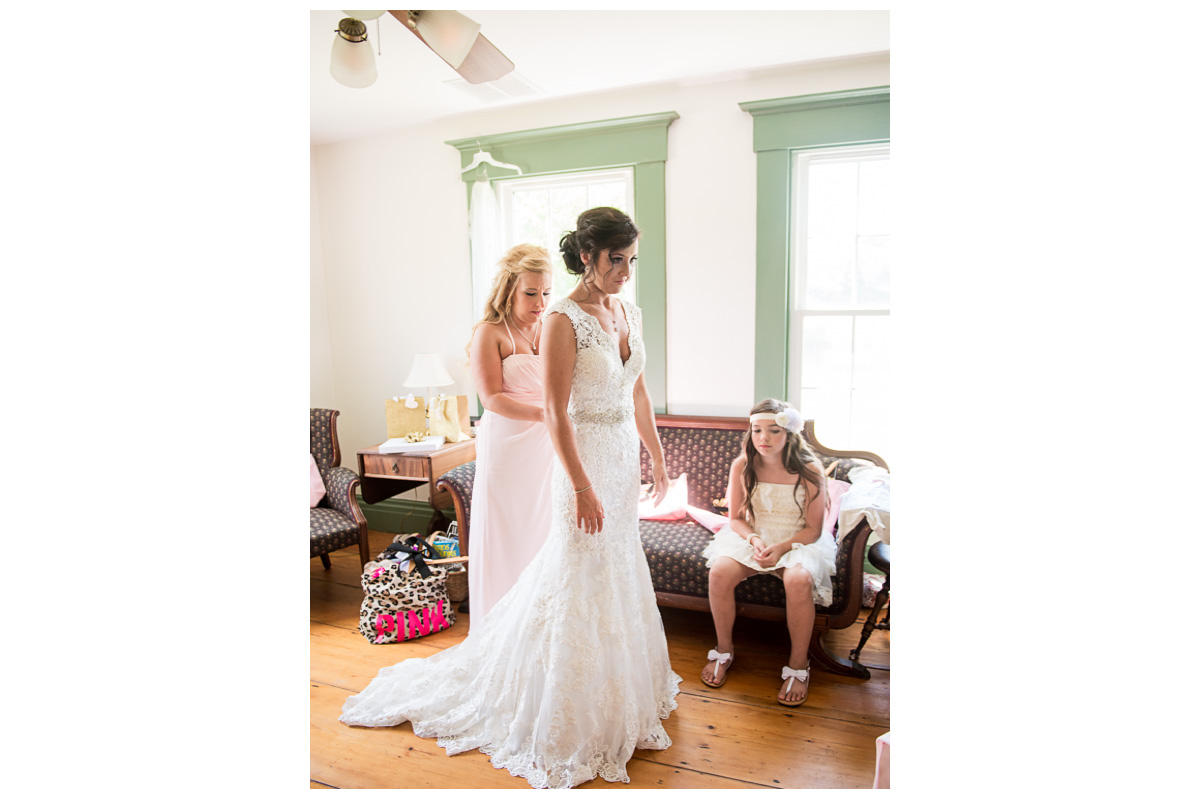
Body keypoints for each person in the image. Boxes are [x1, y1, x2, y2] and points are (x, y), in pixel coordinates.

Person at [340, 207, 681, 789]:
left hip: (622, 459)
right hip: (585, 464)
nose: (626, 271)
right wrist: (581, 485)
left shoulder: (630, 311)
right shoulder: (562, 320)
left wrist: (659, 458)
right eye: (616, 260)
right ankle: (558, 698)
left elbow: (640, 391)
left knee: (618, 570)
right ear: (587, 258)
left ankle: (617, 686)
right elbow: (554, 410)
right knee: (573, 572)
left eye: (632, 259)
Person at [699, 399, 833, 707]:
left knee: (798, 580)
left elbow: (814, 528)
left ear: (789, 433)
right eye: (757, 430)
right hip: (755, 536)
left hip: (797, 539)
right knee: (719, 570)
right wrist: (756, 540)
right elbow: (734, 519)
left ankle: (799, 665)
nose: (764, 438)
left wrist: (783, 548)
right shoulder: (742, 465)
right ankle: (723, 648)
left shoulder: (810, 469)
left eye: (774, 430)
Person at [464, 244, 554, 623]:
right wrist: (546, 415)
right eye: (531, 293)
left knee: (545, 527)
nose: (540, 302)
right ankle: (501, 619)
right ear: (509, 290)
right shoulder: (491, 332)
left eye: (547, 292)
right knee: (509, 528)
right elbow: (492, 398)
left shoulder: (552, 328)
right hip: (509, 444)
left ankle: (539, 618)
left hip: (548, 446)